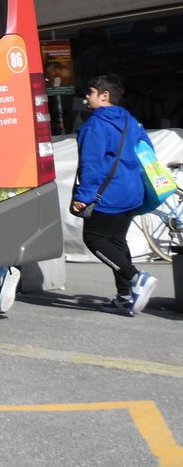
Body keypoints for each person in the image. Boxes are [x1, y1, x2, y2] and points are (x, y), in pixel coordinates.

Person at [71, 74, 157, 316]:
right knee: (116, 241)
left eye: (90, 92)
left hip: (108, 195)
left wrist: (84, 196)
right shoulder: (130, 120)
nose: (86, 97)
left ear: (104, 96)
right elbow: (147, 151)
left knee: (95, 239)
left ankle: (136, 278)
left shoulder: (94, 124)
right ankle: (125, 295)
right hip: (133, 192)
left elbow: (91, 164)